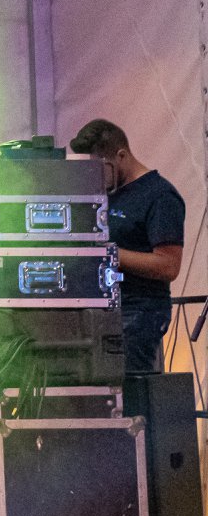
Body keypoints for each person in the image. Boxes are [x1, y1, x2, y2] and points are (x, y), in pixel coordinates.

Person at [69, 119, 185, 374]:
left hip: (140, 311)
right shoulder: (106, 194)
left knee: (125, 385)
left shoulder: (160, 196)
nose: (96, 177)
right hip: (101, 308)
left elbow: (169, 265)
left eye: (101, 169)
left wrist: (108, 254)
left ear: (121, 156)